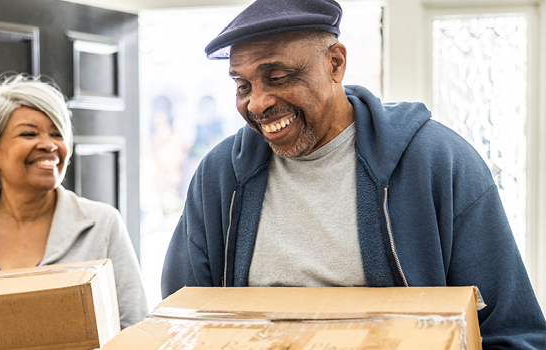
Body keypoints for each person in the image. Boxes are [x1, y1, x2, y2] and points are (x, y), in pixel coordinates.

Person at [160, 0, 546, 348]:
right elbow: (181, 322)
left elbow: (513, 334)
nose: (257, 103)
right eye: (242, 85)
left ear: (335, 63)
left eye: (278, 77)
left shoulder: (439, 163)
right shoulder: (219, 176)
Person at [0, 74, 148, 328]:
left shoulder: (103, 225)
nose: (49, 145)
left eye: (57, 134)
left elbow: (136, 327)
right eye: (29, 134)